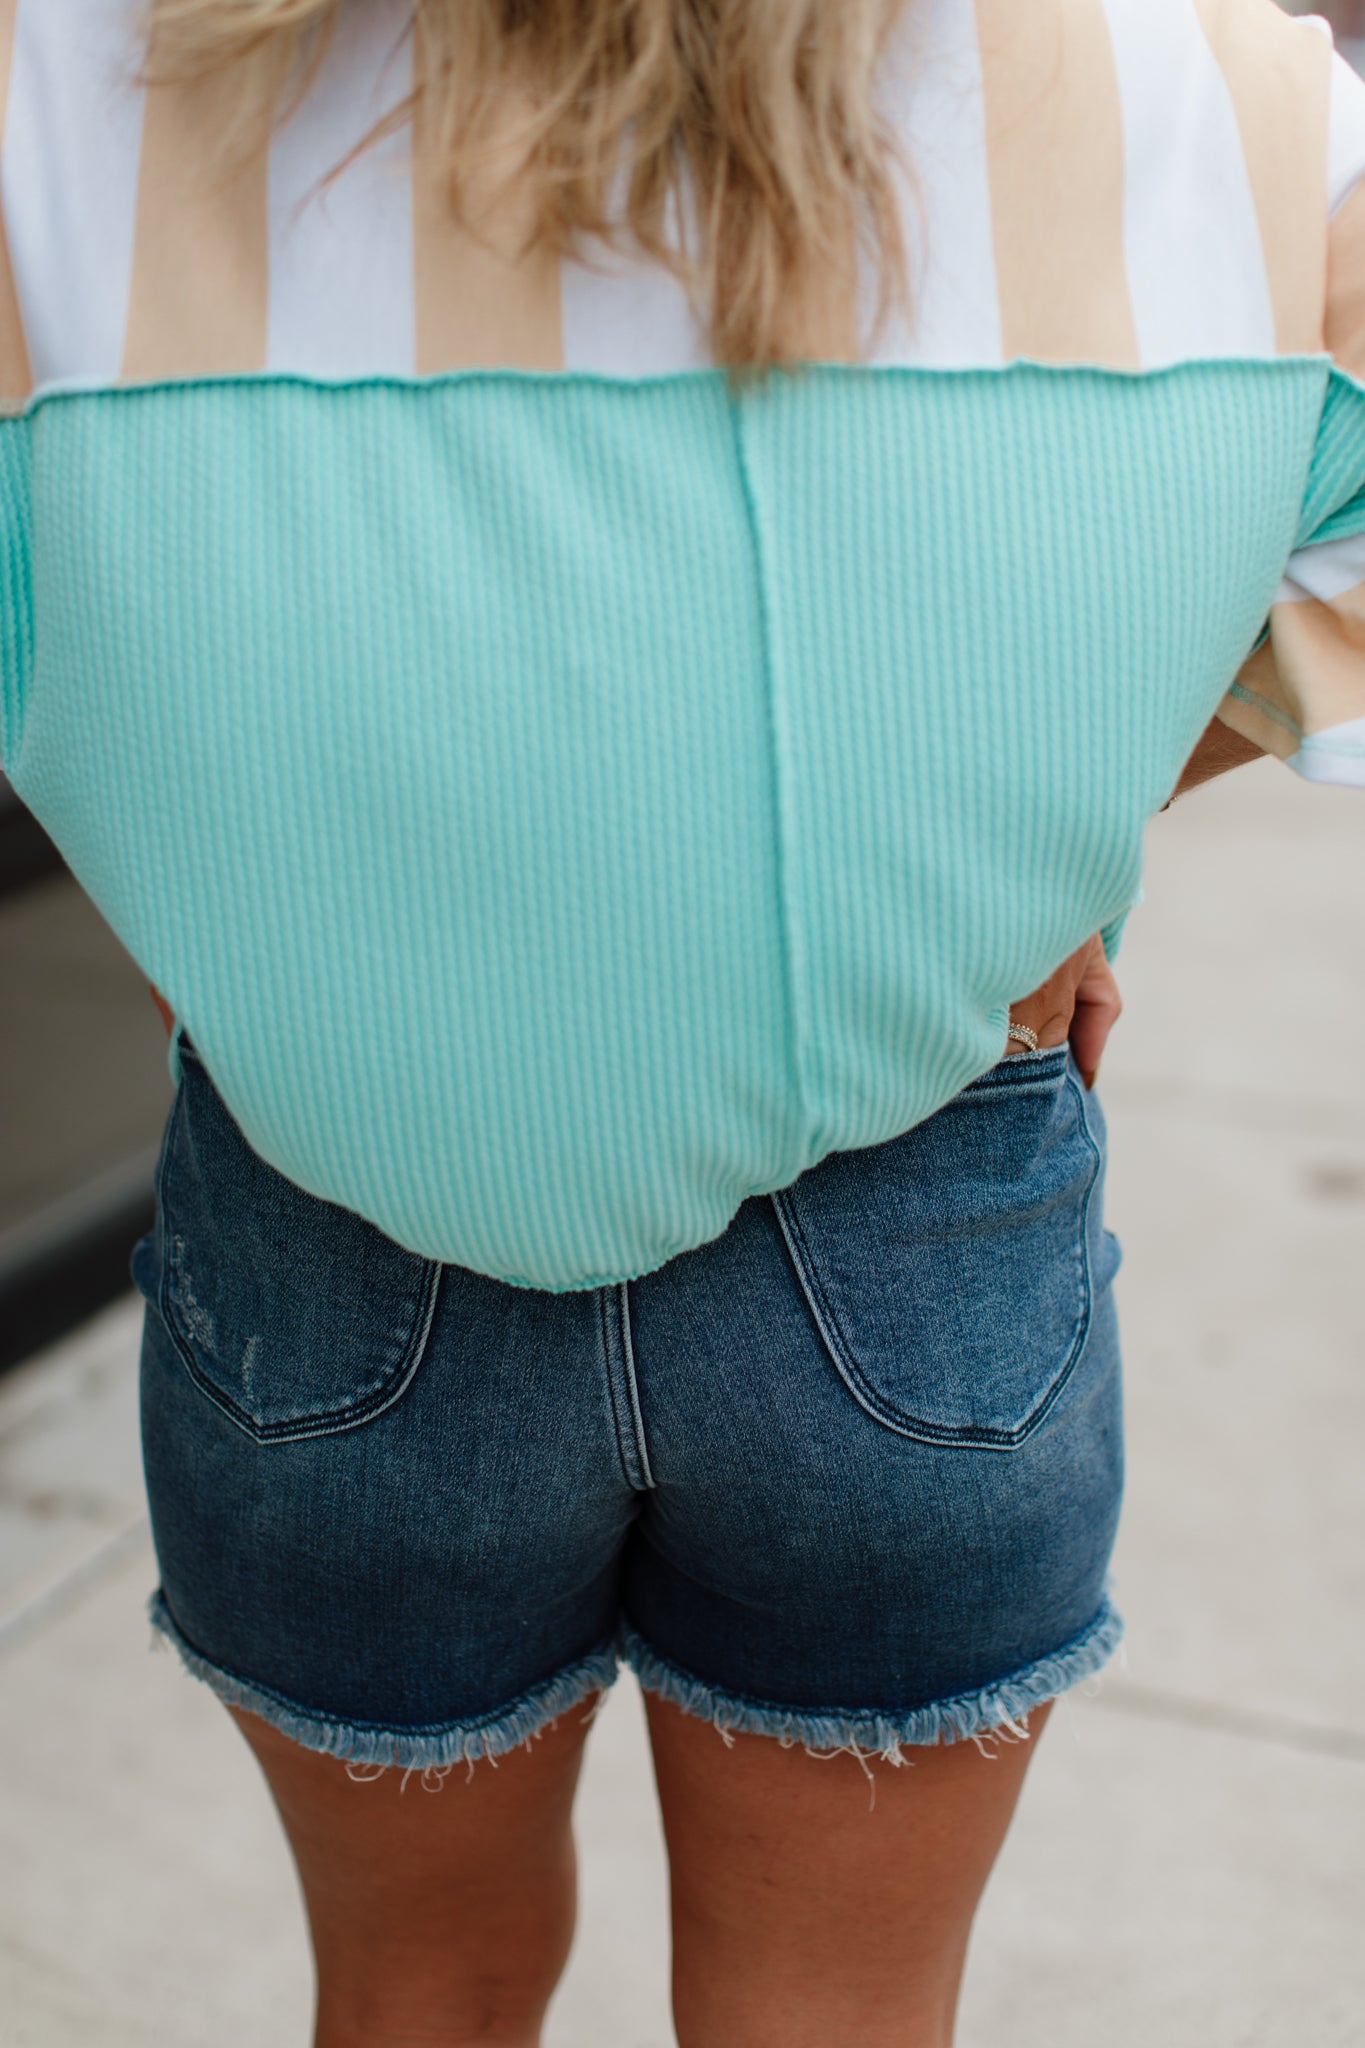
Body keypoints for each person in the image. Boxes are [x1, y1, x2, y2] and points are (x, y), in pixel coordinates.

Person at [1, 0, 1363, 2041]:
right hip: (916, 1222)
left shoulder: (59, 95)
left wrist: (229, 859)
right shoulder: (1221, 101)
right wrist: (1026, 827)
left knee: (412, 1996)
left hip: (331, 1224)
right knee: (835, 2014)